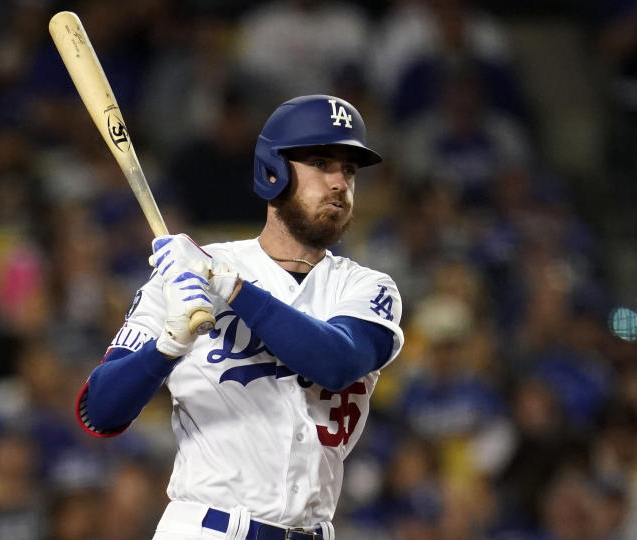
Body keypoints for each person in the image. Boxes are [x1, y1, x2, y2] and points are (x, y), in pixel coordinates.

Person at [76, 95, 404, 540]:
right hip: (208, 528)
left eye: (348, 169)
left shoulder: (365, 287)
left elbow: (337, 363)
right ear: (274, 171)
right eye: (320, 162)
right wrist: (169, 346)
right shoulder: (185, 274)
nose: (338, 183)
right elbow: (99, 413)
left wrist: (231, 289)